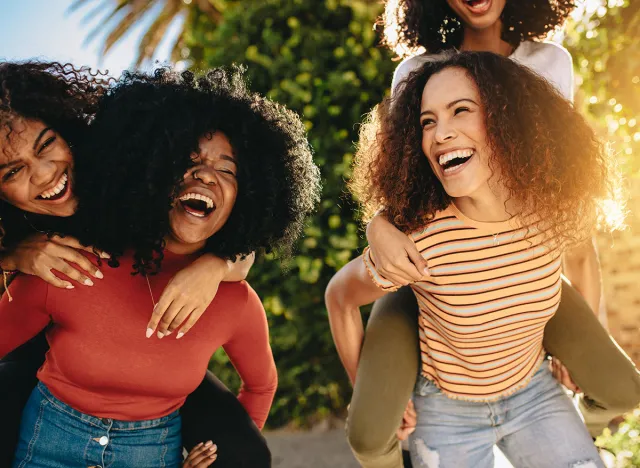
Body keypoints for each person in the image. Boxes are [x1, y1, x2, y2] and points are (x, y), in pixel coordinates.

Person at [343, 1, 640, 466]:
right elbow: (400, 174)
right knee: (370, 426)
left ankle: (565, 426)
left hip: (528, 253)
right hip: (432, 268)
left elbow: (562, 174)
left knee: (618, 386)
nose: (443, 131)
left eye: (462, 110)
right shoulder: (417, 71)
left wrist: (579, 347)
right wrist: (377, 223)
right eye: (431, 122)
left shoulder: (549, 63)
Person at [0, 65, 320, 467]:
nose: (46, 173)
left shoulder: (115, 168)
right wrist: (11, 254)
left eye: (47, 146)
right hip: (45, 360)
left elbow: (223, 241)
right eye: (12, 171)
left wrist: (215, 266)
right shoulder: (45, 268)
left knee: (244, 454)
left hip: (156, 378)